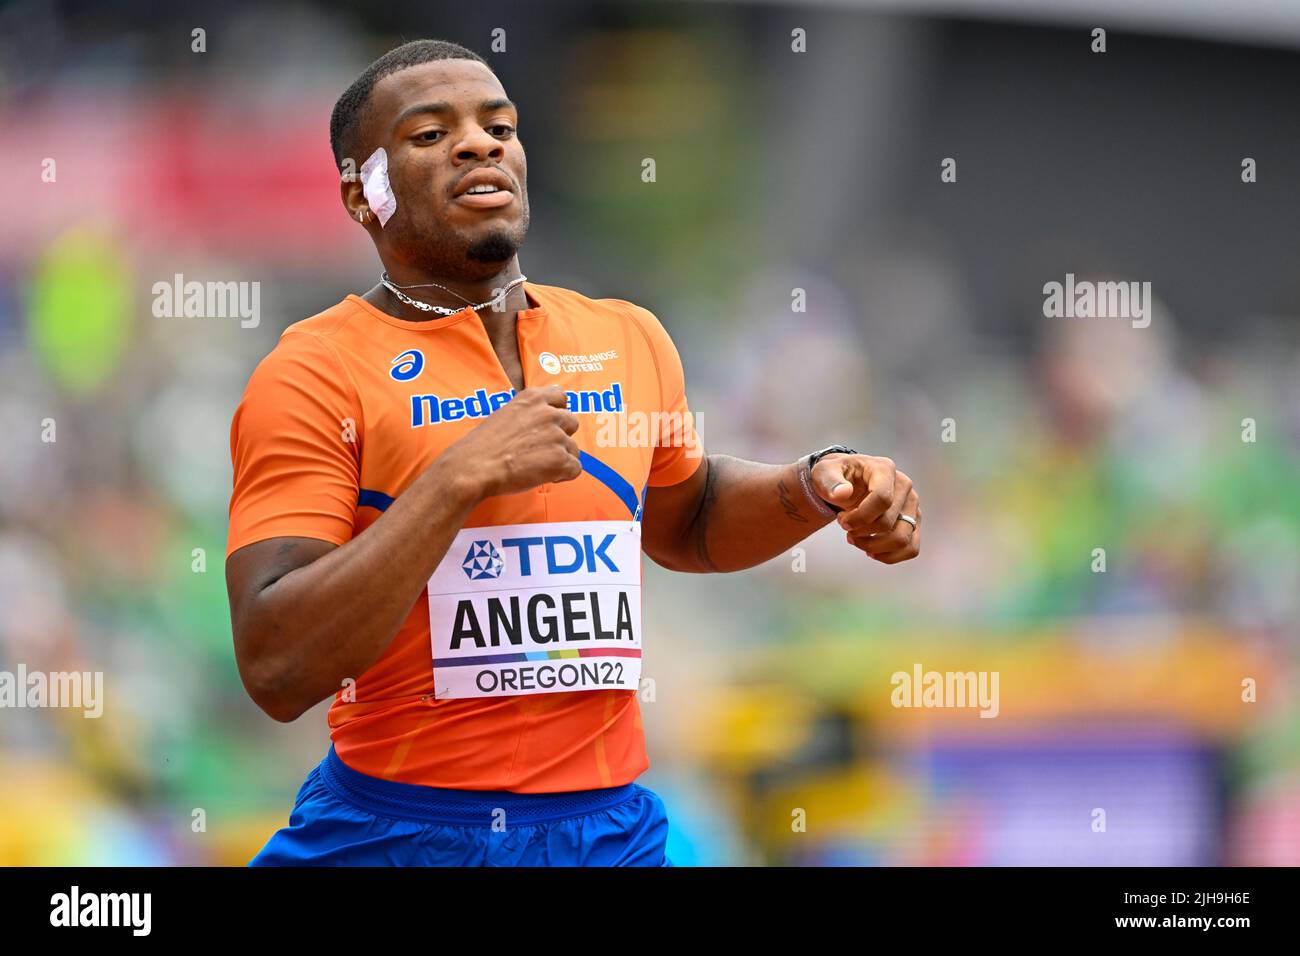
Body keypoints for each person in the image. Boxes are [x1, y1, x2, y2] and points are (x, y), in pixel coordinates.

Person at [225, 39, 921, 866]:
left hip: (605, 833)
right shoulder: (313, 372)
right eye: (428, 134)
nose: (480, 144)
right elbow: (276, 665)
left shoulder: (626, 337)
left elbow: (687, 519)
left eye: (500, 126)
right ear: (361, 191)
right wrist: (458, 479)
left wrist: (813, 489)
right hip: (396, 831)